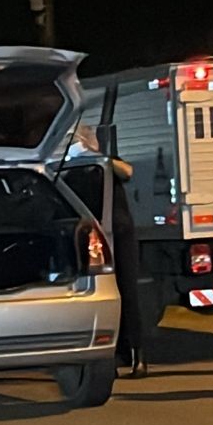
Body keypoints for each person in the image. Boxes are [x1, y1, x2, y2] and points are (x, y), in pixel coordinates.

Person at [69, 127, 148, 378]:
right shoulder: (72, 169)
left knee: (128, 294)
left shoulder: (106, 163)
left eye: (82, 138)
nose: (80, 142)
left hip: (120, 234)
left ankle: (138, 357)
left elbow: (128, 172)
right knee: (101, 297)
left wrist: (98, 156)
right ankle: (108, 359)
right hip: (94, 238)